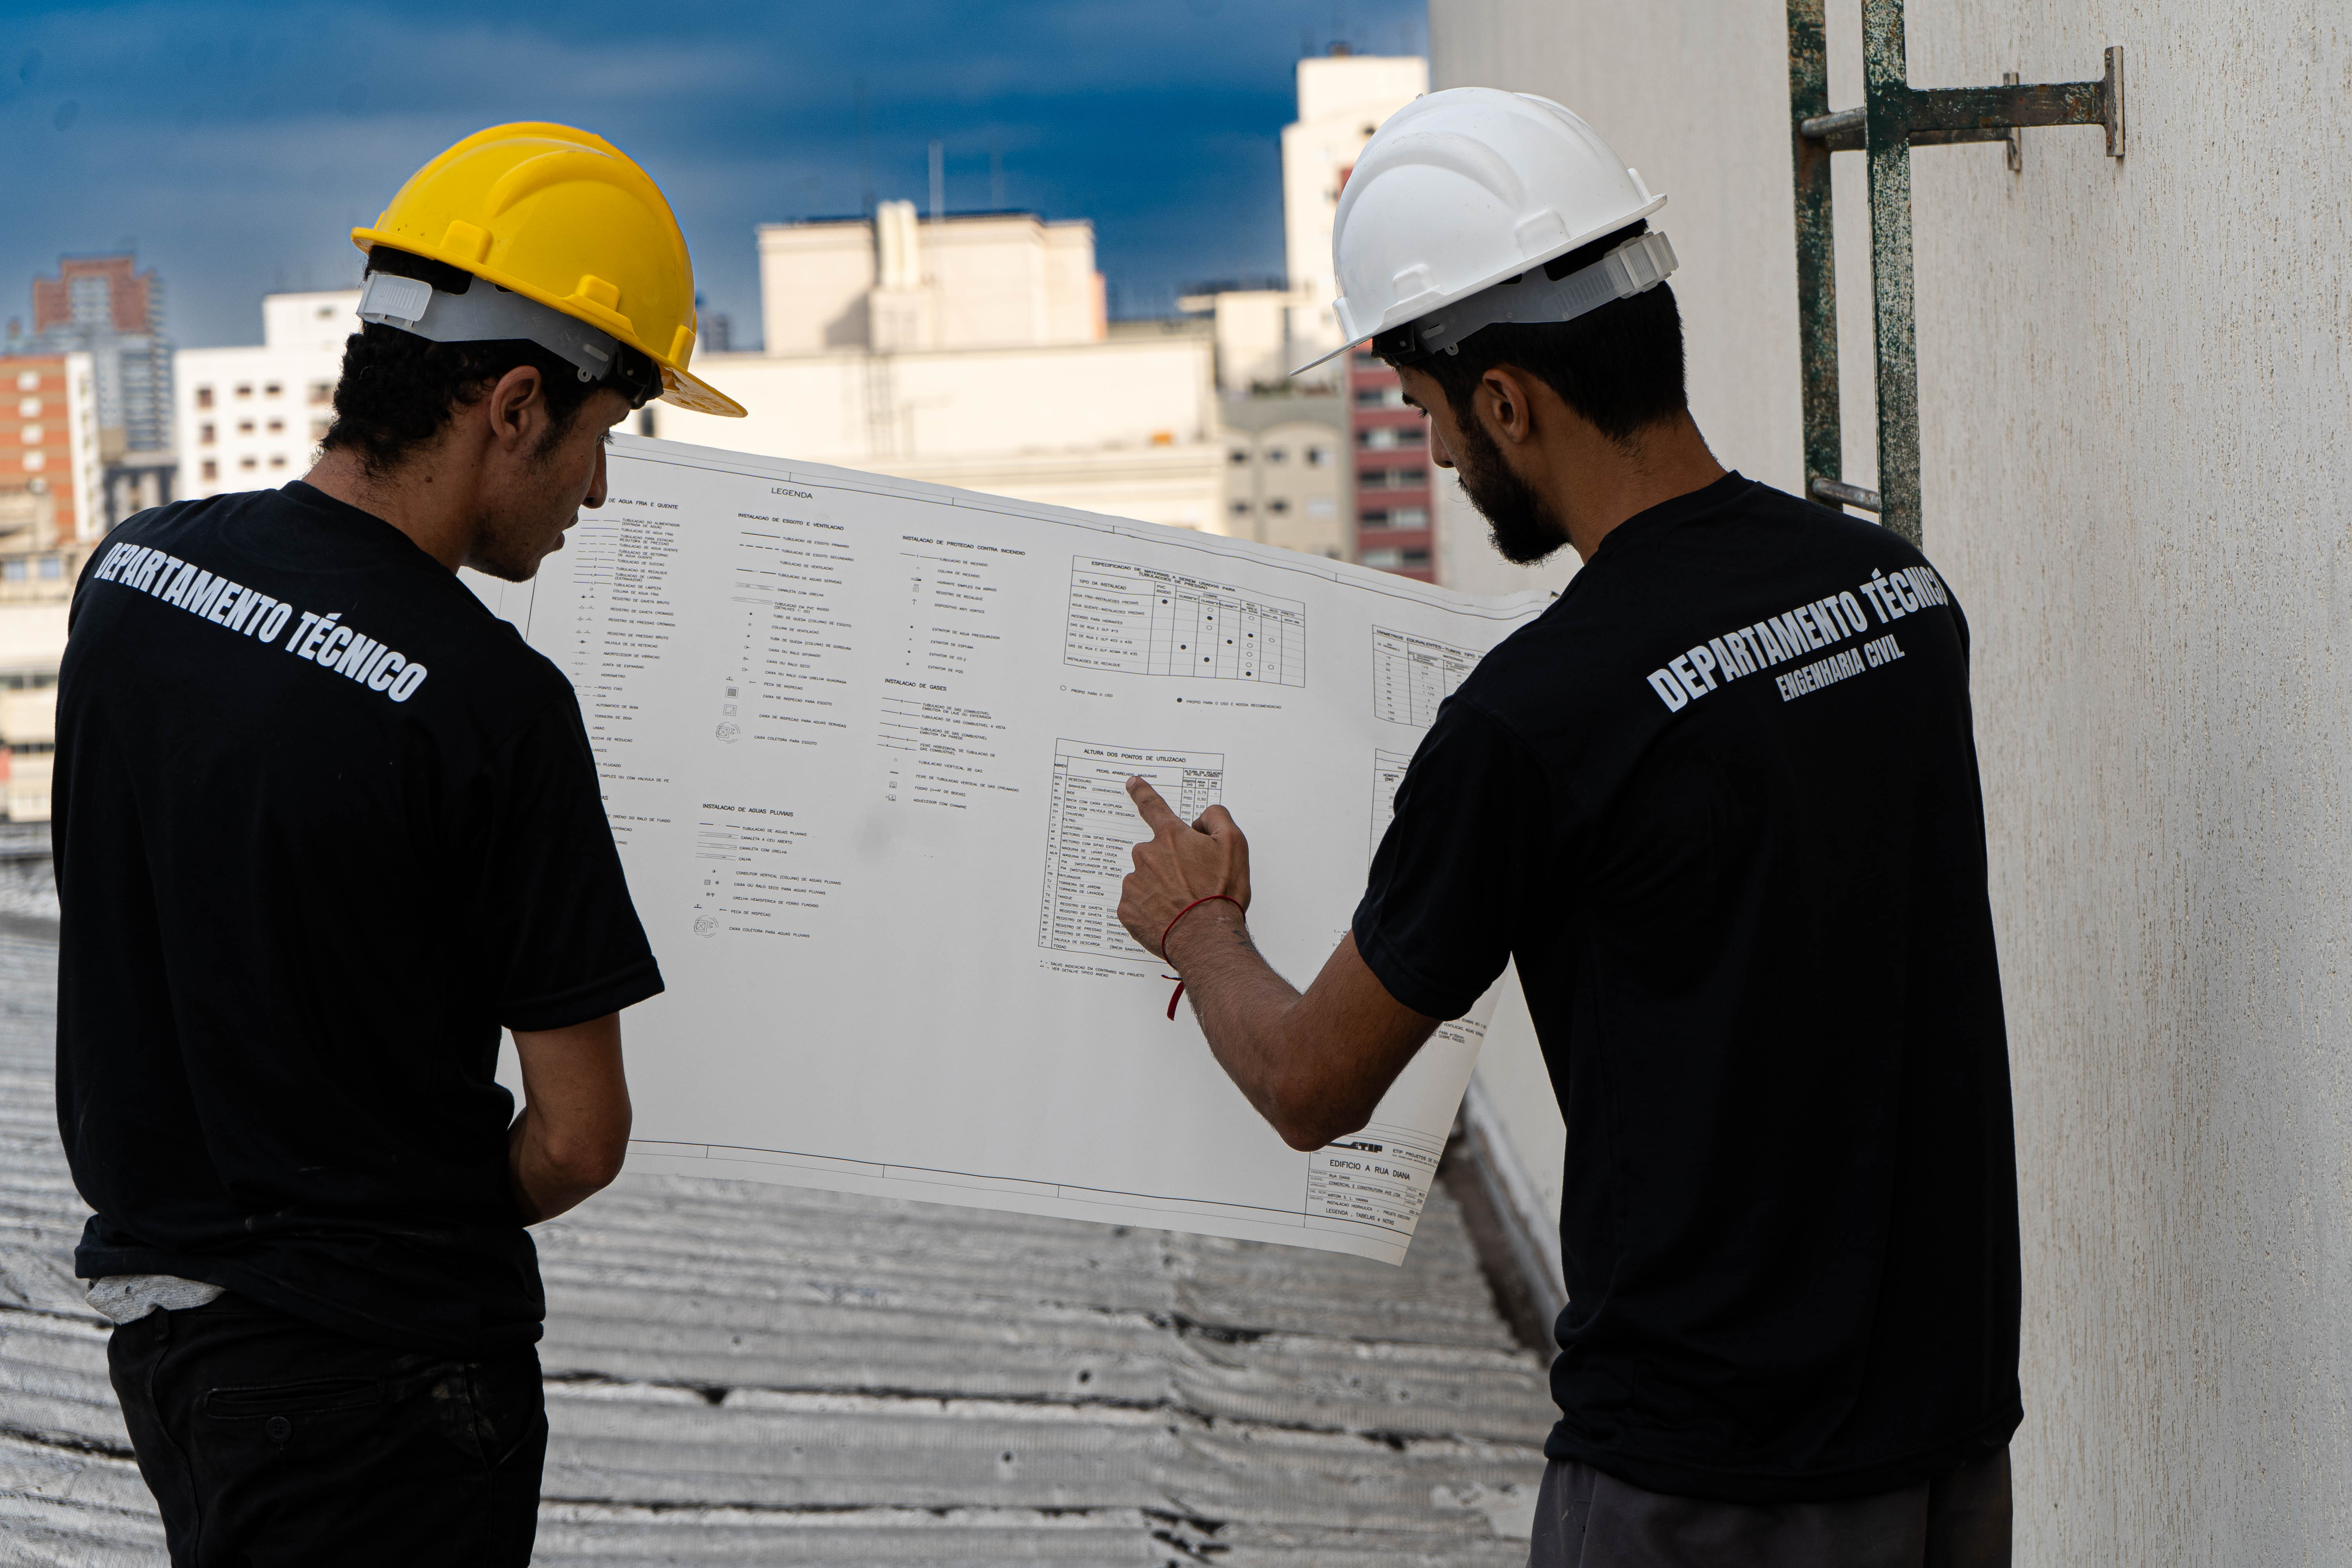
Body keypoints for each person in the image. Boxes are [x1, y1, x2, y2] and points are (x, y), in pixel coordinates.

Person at [1118, 89, 2019, 1567]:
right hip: (1946, 1447)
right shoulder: (1899, 597)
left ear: (1509, 401)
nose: (1435, 459)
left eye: (1424, 413)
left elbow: (1309, 1082)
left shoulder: (1536, 721)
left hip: (1704, 1487)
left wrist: (1199, 923)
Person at [54, 123, 745, 1566]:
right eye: (604, 438)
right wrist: (409, 1206)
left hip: (174, 1353)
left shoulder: (133, 575)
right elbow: (579, 1135)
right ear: (511, 404)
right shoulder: (492, 704)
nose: (598, 496)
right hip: (383, 1393)